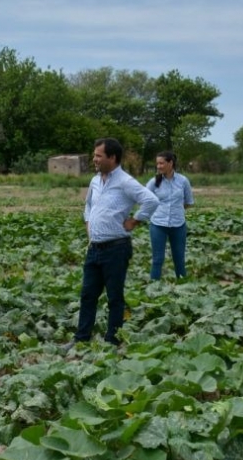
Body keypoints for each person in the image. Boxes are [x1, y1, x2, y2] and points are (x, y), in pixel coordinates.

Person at [65, 138, 159, 349]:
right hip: (94, 248)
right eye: (94, 155)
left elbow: (151, 200)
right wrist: (88, 223)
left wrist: (135, 220)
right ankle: (81, 338)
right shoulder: (95, 181)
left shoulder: (125, 181)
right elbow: (88, 205)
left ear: (112, 158)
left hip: (116, 248)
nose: (94, 159)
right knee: (88, 295)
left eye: (99, 155)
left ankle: (112, 340)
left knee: (115, 296)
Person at [145, 151, 195, 280]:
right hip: (158, 225)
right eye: (157, 163)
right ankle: (154, 287)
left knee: (179, 258)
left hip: (178, 225)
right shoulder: (154, 182)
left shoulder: (183, 181)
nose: (159, 166)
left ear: (170, 163)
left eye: (161, 163)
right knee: (158, 259)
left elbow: (188, 202)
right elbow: (144, 199)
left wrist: (175, 210)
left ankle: (183, 287)